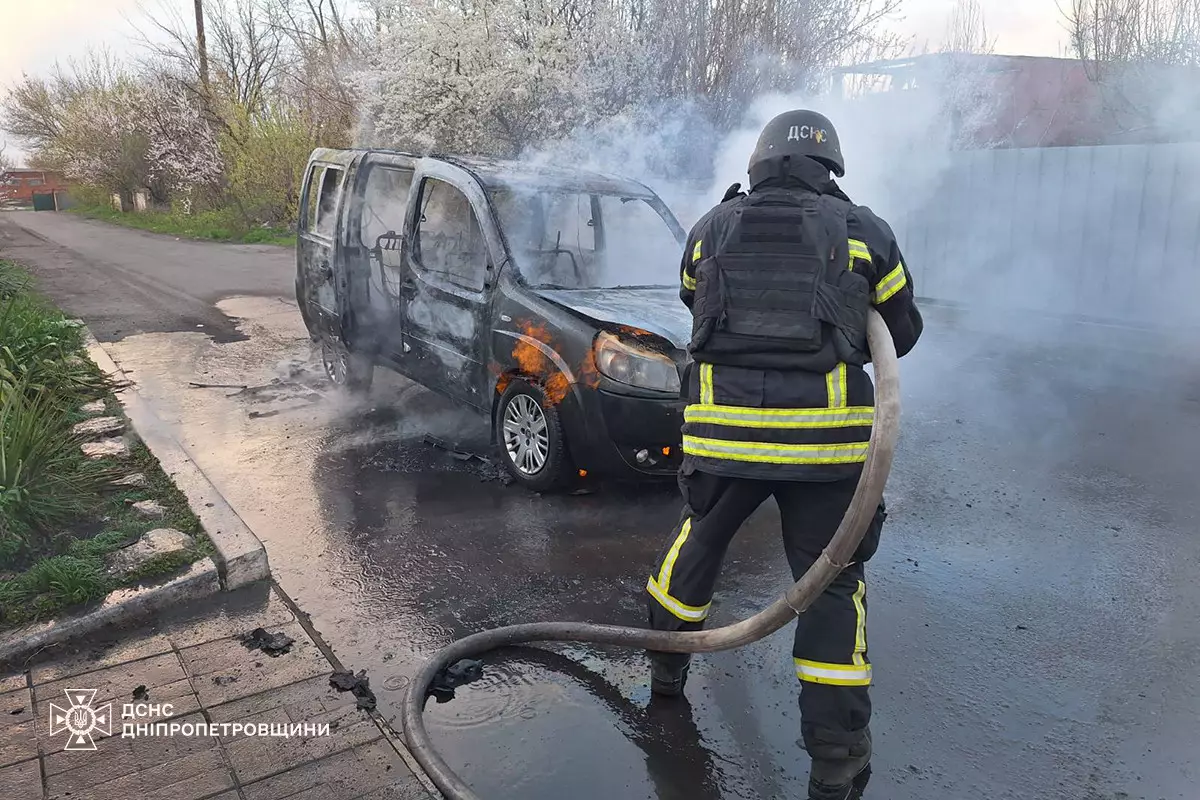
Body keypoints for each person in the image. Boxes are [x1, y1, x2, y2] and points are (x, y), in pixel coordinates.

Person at [645, 109, 924, 800]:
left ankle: (665, 671)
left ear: (759, 163)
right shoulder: (864, 232)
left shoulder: (710, 229)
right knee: (829, 585)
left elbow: (692, 300)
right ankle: (836, 759)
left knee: (697, 545)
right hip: (823, 450)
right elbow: (904, 329)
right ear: (830, 167)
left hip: (721, 440)